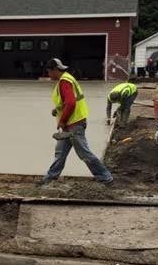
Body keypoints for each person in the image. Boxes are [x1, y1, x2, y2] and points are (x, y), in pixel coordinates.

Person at [43, 57, 113, 185]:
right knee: (60, 154)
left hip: (74, 125)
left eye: (48, 71)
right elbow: (66, 102)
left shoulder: (64, 81)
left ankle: (105, 177)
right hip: (70, 124)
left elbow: (70, 103)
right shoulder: (66, 78)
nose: (48, 74)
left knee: (84, 153)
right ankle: (49, 178)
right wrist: (57, 110)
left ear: (54, 70)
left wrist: (62, 120)